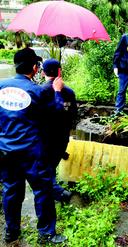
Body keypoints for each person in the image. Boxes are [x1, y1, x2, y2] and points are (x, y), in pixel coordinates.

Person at [0, 48, 67, 244]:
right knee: (43, 191)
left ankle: (11, 232)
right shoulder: (37, 92)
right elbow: (56, 114)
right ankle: (46, 233)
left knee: (11, 192)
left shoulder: (0, 86)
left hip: (5, 152)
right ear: (35, 68)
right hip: (32, 153)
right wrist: (56, 92)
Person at [41, 58, 77, 203]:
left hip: (45, 140)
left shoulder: (39, 91)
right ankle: (57, 191)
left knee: (46, 169)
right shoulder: (69, 92)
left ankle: (58, 193)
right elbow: (73, 115)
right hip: (62, 138)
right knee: (51, 165)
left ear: (43, 72)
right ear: (59, 71)